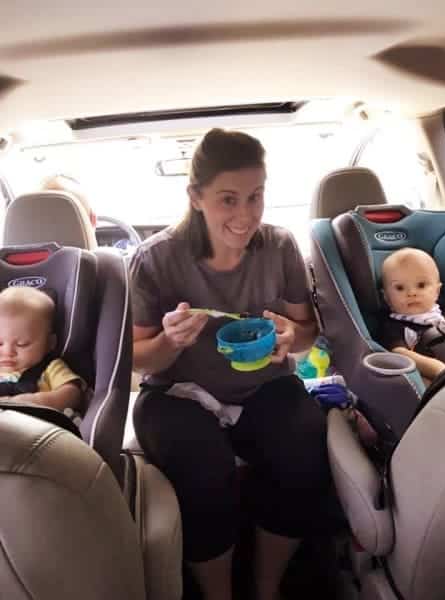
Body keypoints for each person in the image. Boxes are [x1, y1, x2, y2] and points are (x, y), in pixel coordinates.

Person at [130, 128, 336, 600]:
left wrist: (292, 338)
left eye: (255, 197)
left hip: (263, 385)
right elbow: (139, 360)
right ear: (196, 197)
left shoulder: (280, 246)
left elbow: (304, 331)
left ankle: (267, 588)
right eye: (228, 199)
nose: (245, 215)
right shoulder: (155, 260)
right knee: (204, 472)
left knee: (303, 448)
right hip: (178, 393)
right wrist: (171, 342)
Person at [0, 286, 85, 412]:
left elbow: (73, 393)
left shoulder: (51, 368)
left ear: (50, 343)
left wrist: (39, 401)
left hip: (32, 426)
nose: (8, 352)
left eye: (22, 344)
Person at [380, 247, 445, 382]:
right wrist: (437, 368)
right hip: (436, 379)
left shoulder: (443, 314)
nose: (411, 293)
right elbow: (399, 353)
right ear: (386, 297)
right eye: (400, 288)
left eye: (421, 285)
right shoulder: (395, 326)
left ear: (437, 291)